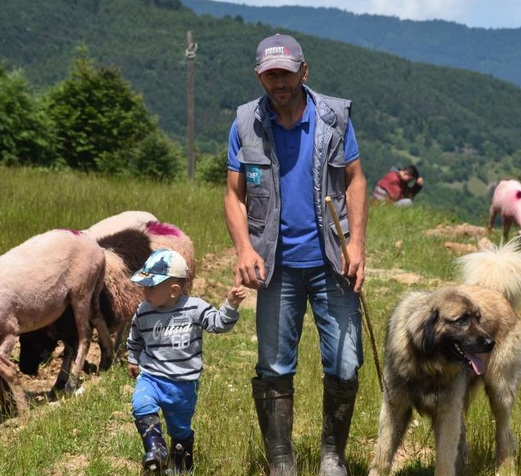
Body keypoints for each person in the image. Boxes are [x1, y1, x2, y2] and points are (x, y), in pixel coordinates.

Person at [224, 33, 367, 476]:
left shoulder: (334, 118)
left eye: (286, 73)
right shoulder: (246, 124)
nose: (280, 82)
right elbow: (234, 195)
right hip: (276, 265)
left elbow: (356, 179)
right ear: (259, 76)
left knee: (345, 364)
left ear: (304, 71)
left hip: (333, 261)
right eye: (271, 75)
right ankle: (281, 462)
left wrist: (357, 244)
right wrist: (243, 248)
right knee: (273, 366)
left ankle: (332, 457)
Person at [126, 248, 247, 475]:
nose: (144, 291)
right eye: (144, 286)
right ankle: (156, 449)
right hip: (152, 376)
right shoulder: (143, 310)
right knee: (141, 405)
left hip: (183, 384)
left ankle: (182, 466)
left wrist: (231, 305)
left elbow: (217, 324)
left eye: (151, 287)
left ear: (174, 290)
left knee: (179, 429)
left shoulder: (194, 308)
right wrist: (133, 359)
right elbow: (135, 338)